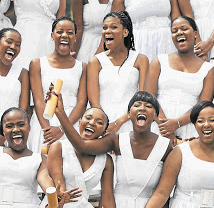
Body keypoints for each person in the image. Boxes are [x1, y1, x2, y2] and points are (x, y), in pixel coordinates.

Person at [53, 91, 172, 208]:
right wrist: (60, 114)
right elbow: (82, 146)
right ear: (129, 113)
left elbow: (162, 191)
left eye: (149, 106)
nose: (142, 108)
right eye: (137, 105)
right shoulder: (116, 140)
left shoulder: (166, 146)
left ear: (156, 116)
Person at [145, 16, 214, 141]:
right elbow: (149, 97)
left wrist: (177, 123)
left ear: (195, 33)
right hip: (158, 124)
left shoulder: (208, 69)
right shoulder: (159, 61)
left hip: (189, 125)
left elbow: (203, 104)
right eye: (174, 31)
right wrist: (165, 127)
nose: (179, 33)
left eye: (184, 28)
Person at [28, 16, 87, 154]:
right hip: (44, 124)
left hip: (70, 124)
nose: (64, 35)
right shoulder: (37, 64)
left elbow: (82, 103)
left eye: (70, 32)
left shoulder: (83, 67)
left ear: (75, 37)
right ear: (52, 35)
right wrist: (47, 131)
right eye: (60, 31)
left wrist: (61, 129)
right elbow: (37, 100)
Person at [87, 11, 148, 135]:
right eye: (104, 28)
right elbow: (94, 101)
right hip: (102, 123)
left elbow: (142, 99)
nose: (107, 31)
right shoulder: (95, 61)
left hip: (131, 120)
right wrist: (104, 124)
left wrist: (119, 122)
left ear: (125, 32)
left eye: (113, 27)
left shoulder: (141, 60)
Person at [0, 28, 29, 144]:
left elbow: (23, 110)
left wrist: (5, 135)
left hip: (11, 136)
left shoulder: (22, 74)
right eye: (9, 41)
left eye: (18, 45)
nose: (13, 46)